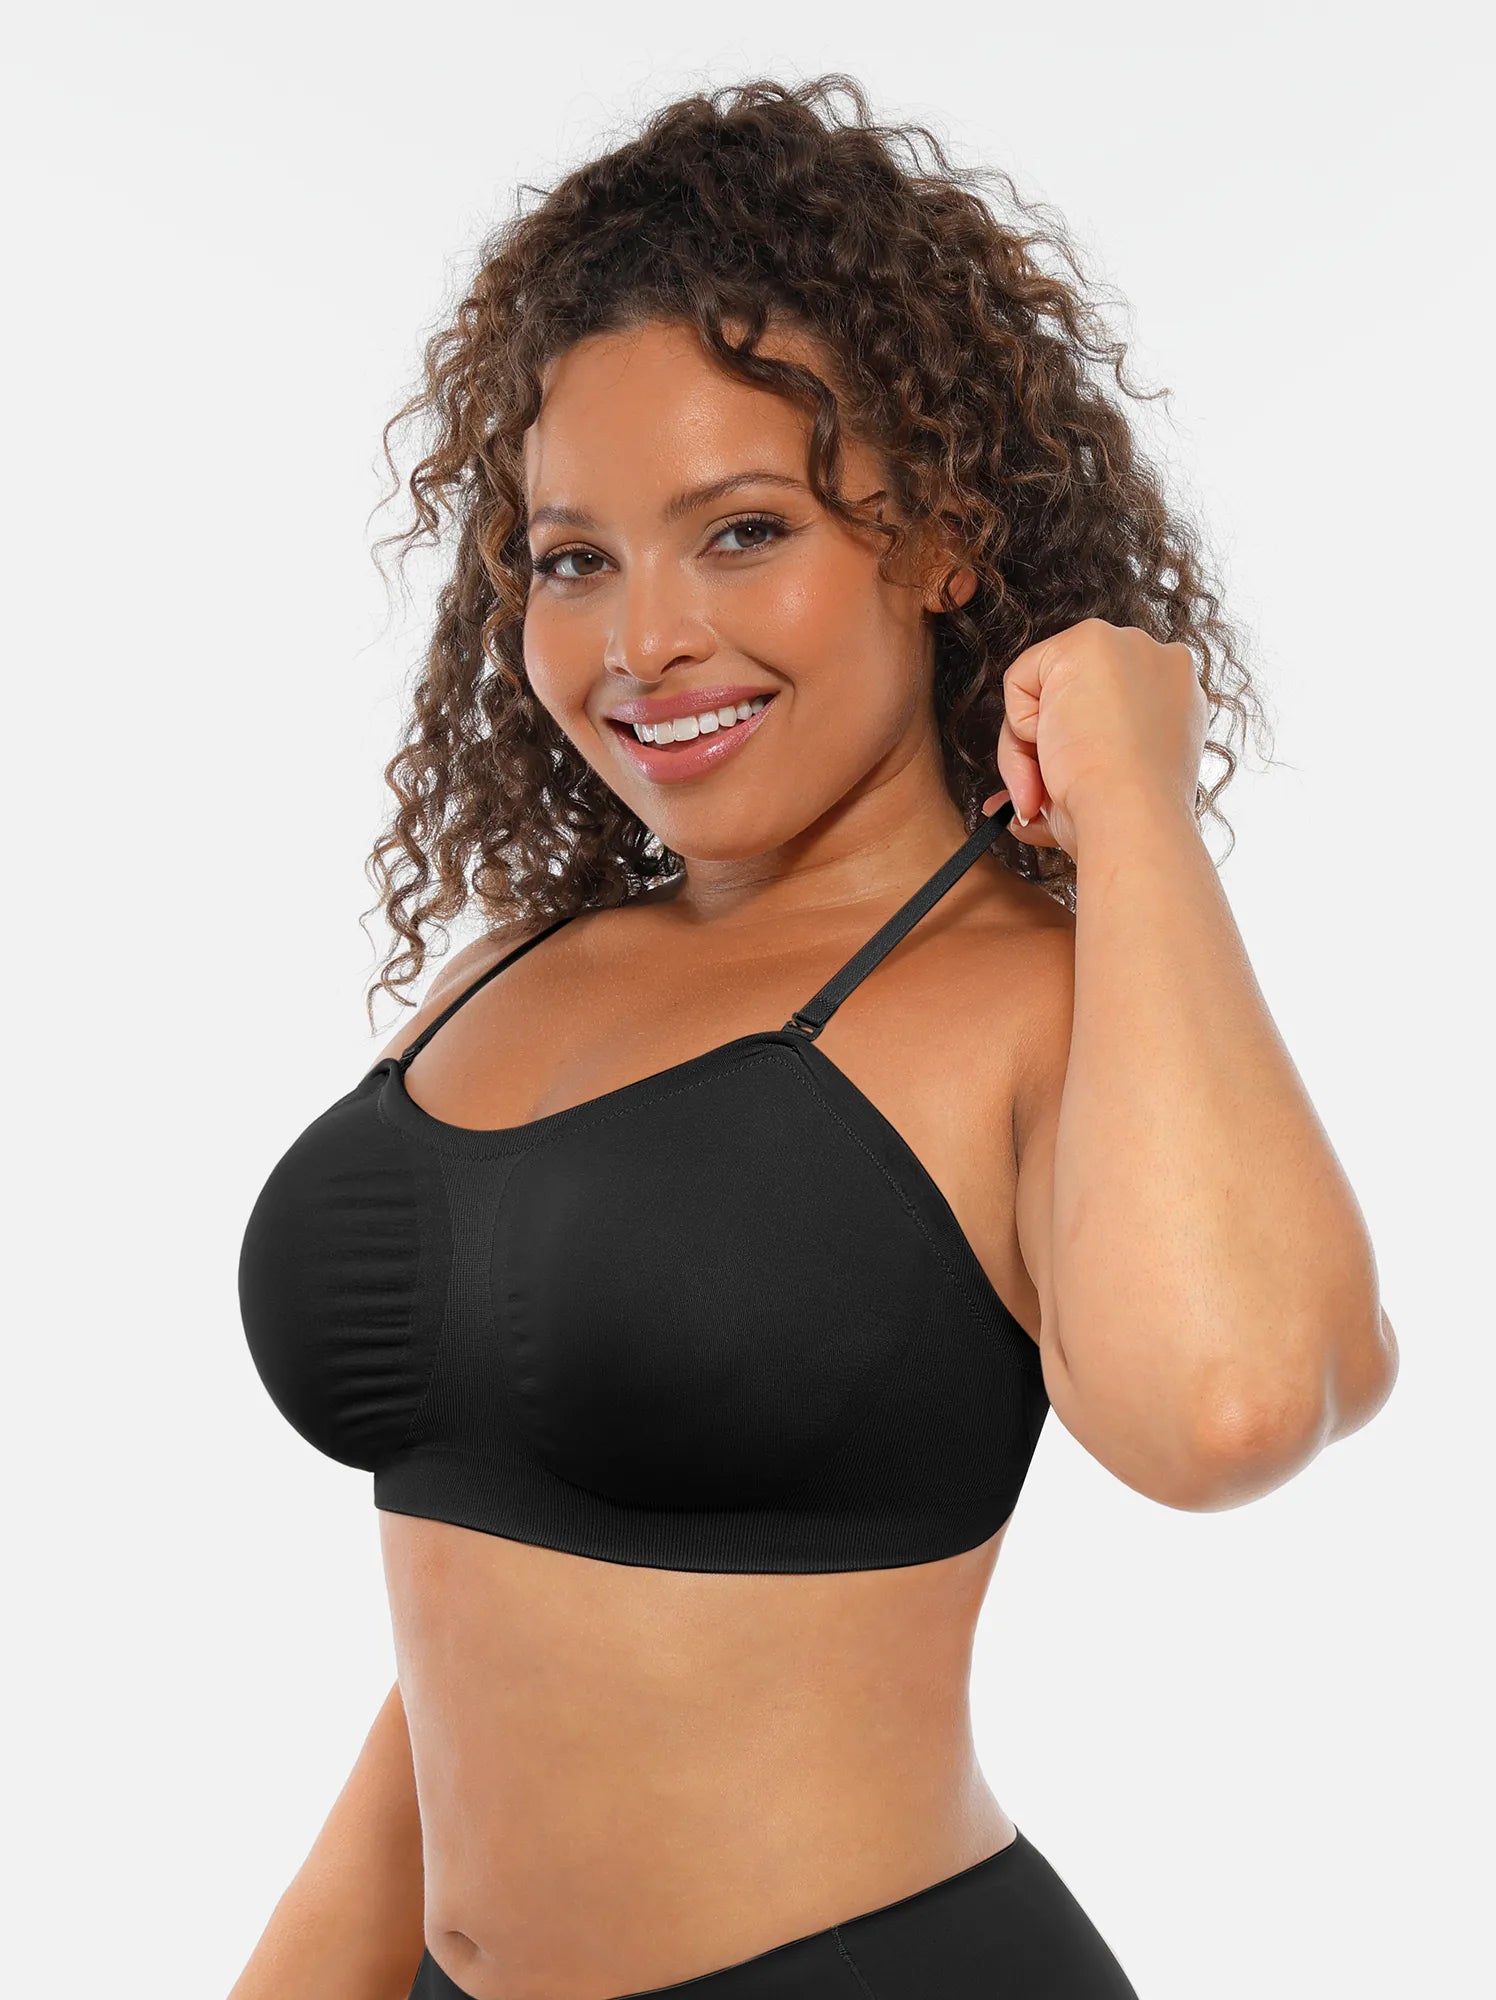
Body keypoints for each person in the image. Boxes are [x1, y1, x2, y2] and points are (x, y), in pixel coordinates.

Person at [231, 73, 1398, 2000]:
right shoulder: (509, 969)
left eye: (743, 530)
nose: (642, 643)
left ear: (941, 542)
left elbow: (1235, 1409)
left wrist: (1137, 808)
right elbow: (467, 1640)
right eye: (574, 558)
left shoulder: (1026, 997)